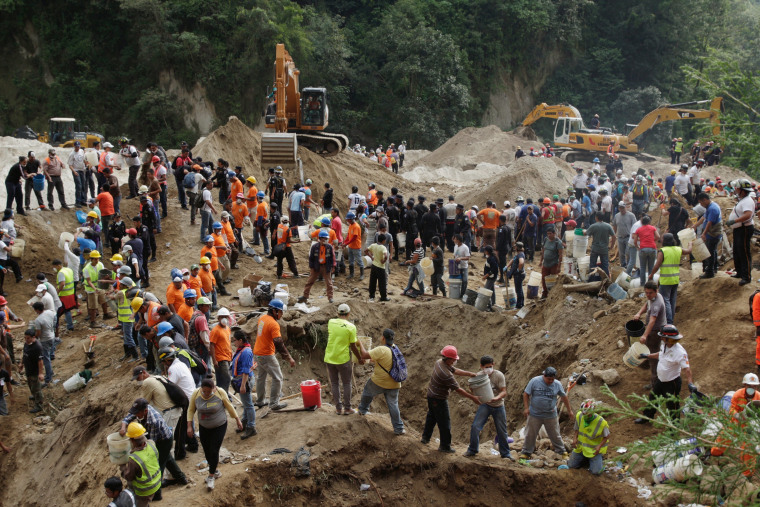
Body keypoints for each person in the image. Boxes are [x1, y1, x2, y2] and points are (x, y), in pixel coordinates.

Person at [119, 398, 187, 501]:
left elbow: (150, 443)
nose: (136, 415)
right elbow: (128, 417)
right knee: (167, 459)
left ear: (145, 411)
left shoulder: (154, 421)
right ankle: (181, 478)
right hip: (156, 438)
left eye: (138, 413)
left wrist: (138, 451)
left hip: (164, 440)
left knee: (158, 464)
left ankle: (157, 494)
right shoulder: (141, 410)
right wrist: (123, 427)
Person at [420, 346, 480, 453]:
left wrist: (469, 373)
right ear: (448, 359)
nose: (455, 360)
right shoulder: (445, 374)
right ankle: (445, 446)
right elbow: (458, 390)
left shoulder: (439, 362)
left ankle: (425, 438)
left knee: (432, 417)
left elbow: (455, 370)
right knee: (444, 423)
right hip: (438, 399)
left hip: (431, 395)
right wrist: (473, 398)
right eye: (454, 359)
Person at [187, 377, 243, 490]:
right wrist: (189, 426)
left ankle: (211, 476)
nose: (207, 393)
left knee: (214, 449)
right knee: (207, 451)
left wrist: (237, 419)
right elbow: (191, 409)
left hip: (219, 425)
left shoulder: (220, 392)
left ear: (214, 388)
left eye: (209, 391)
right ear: (201, 389)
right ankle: (215, 471)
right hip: (204, 426)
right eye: (204, 391)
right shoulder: (196, 394)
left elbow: (229, 406)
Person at [635, 325, 696, 423]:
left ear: (669, 338)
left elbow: (687, 369)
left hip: (672, 383)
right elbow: (660, 354)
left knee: (672, 405)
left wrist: (690, 383)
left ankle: (674, 428)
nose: (661, 337)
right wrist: (647, 356)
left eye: (663, 336)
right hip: (661, 380)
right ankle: (646, 417)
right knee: (653, 398)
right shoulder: (665, 345)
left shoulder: (680, 352)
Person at [356, 328, 405, 434]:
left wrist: (360, 343)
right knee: (393, 405)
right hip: (395, 383)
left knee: (367, 391)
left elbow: (364, 354)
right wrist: (370, 360)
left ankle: (363, 410)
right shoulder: (395, 348)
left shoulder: (381, 349)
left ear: (383, 338)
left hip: (380, 381)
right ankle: (399, 429)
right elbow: (380, 360)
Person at [463, 356, 513, 459]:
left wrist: (496, 398)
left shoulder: (498, 375)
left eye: (490, 366)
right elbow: (473, 389)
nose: (489, 369)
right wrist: (474, 393)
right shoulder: (479, 376)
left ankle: (506, 454)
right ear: (481, 366)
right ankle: (472, 450)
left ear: (493, 364)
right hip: (485, 405)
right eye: (486, 367)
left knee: (502, 430)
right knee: (475, 427)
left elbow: (504, 391)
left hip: (498, 405)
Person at [519, 366, 573, 460]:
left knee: (555, 434)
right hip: (535, 414)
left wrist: (569, 410)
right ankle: (526, 452)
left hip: (550, 415)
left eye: (552, 379)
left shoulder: (557, 384)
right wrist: (526, 408)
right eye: (549, 379)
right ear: (544, 375)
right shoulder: (534, 381)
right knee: (530, 434)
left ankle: (561, 451)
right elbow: (526, 394)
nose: (551, 381)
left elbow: (564, 397)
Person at [253, 300, 295, 410]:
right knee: (278, 378)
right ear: (274, 311)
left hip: (257, 353)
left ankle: (260, 400)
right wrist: (289, 357)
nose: (282, 314)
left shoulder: (262, 318)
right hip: (266, 355)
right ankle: (274, 403)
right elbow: (279, 342)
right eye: (281, 312)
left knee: (261, 378)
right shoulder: (274, 324)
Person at [324, 304, 362, 415]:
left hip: (330, 357)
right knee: (346, 383)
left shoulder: (331, 322)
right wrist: (359, 358)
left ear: (337, 313)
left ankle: (338, 408)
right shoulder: (351, 327)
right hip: (343, 359)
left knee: (334, 383)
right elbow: (353, 346)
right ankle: (347, 408)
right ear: (349, 314)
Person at [650, 233, 691, 324]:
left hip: (666, 280)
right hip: (675, 279)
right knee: (672, 300)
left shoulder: (663, 251)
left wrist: (651, 274)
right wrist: (690, 244)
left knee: (666, 301)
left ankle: (668, 322)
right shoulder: (678, 249)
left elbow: (657, 265)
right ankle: (671, 320)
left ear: (664, 241)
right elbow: (688, 251)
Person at [634, 280, 668, 387]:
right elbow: (646, 304)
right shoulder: (652, 298)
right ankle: (646, 363)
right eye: (646, 293)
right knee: (649, 350)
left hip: (656, 332)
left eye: (650, 293)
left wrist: (644, 335)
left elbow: (652, 321)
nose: (648, 295)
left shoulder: (657, 303)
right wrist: (639, 313)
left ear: (656, 291)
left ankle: (654, 384)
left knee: (654, 357)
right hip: (653, 329)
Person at [119, 421, 161, 506]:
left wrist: (122, 466)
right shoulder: (152, 444)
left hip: (145, 490)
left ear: (132, 440)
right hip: (157, 482)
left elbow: (129, 477)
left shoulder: (134, 459)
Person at [568, 399, 609, 475]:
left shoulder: (601, 422)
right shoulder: (579, 416)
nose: (586, 416)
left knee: (596, 472)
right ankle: (585, 460)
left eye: (588, 415)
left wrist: (599, 447)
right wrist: (575, 438)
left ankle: (596, 460)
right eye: (584, 414)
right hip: (581, 448)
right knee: (571, 465)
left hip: (593, 451)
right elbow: (576, 429)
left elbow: (607, 436)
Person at [231, 330, 257, 439]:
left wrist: (242, 385)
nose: (234, 343)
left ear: (240, 340)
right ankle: (245, 422)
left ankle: (251, 427)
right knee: (246, 403)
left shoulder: (246, 352)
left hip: (244, 380)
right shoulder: (242, 349)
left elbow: (246, 370)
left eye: (235, 340)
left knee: (248, 404)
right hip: (242, 380)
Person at [728, 179, 755, 286]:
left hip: (744, 228)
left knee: (744, 252)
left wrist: (734, 221)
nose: (735, 190)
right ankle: (739, 272)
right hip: (739, 229)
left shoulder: (748, 201)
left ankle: (746, 276)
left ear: (742, 190)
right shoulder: (743, 199)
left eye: (737, 188)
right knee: (737, 251)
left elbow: (748, 214)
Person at [299, 230, 335, 304]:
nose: (326, 240)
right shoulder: (314, 247)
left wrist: (333, 266)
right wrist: (311, 267)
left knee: (329, 283)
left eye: (326, 238)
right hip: (316, 266)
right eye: (324, 238)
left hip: (326, 266)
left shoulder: (329, 247)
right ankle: (305, 296)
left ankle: (330, 297)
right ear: (320, 238)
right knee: (309, 282)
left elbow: (333, 258)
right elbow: (311, 258)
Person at [693, 192, 722, 279]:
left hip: (713, 233)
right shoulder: (710, 207)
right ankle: (714, 268)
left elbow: (709, 222)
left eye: (701, 203)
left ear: (705, 200)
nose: (701, 205)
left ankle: (710, 272)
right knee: (713, 251)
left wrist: (704, 233)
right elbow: (704, 218)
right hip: (711, 233)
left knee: (710, 253)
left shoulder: (713, 208)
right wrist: (695, 225)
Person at [19, 328, 44, 413]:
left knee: (36, 388)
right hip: (28, 369)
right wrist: (22, 363)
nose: (26, 340)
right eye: (25, 338)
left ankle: (39, 405)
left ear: (33, 337)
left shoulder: (37, 347)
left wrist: (40, 373)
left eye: (28, 338)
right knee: (30, 385)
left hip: (34, 371)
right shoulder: (27, 344)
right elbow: (24, 354)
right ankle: (34, 396)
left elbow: (40, 361)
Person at [31, 301, 56, 385]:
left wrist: (34, 337)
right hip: (52, 336)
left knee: (46, 358)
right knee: (48, 356)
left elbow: (38, 333)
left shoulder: (38, 320)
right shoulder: (50, 312)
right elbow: (54, 320)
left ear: (37, 310)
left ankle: (48, 378)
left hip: (45, 339)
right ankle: (50, 372)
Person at [632, 215, 660, 286]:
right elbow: (658, 237)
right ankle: (650, 284)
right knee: (651, 267)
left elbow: (635, 241)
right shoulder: (653, 228)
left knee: (642, 267)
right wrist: (652, 240)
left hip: (643, 249)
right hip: (652, 249)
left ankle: (642, 284)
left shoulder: (639, 229)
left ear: (642, 222)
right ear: (649, 222)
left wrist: (637, 246)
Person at [584, 213, 615, 278]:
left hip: (595, 248)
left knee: (592, 264)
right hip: (604, 249)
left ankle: (592, 279)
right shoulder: (608, 226)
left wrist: (583, 231)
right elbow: (614, 236)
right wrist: (612, 246)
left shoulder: (593, 226)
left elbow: (586, 233)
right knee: (605, 265)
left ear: (596, 218)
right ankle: (606, 279)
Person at [209, 308, 232, 393]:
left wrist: (231, 353)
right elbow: (211, 345)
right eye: (222, 317)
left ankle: (220, 396)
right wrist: (214, 360)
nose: (224, 319)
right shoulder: (215, 330)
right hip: (221, 358)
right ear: (218, 318)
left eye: (226, 317)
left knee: (221, 380)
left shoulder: (227, 328)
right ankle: (225, 396)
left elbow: (227, 342)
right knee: (227, 378)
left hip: (227, 356)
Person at [539, 226, 563, 298]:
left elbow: (560, 255)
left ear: (554, 233)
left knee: (553, 280)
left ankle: (552, 295)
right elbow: (543, 251)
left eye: (550, 234)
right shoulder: (546, 239)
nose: (549, 235)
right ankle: (545, 293)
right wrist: (541, 261)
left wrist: (559, 266)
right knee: (544, 279)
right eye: (548, 234)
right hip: (545, 264)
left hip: (554, 264)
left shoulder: (558, 242)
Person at [612, 202, 635, 268]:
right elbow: (615, 226)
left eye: (623, 208)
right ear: (619, 208)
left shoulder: (631, 215)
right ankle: (623, 266)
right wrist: (614, 235)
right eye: (620, 208)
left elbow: (634, 226)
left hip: (628, 237)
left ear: (625, 207)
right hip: (620, 237)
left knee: (628, 253)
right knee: (621, 254)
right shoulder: (617, 216)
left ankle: (629, 266)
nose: (622, 209)